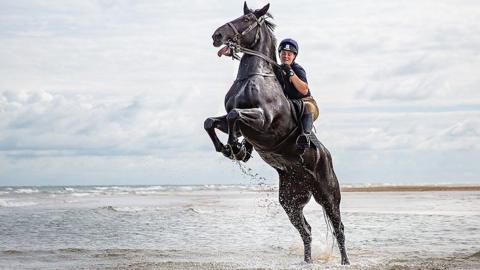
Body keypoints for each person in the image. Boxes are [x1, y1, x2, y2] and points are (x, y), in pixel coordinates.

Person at [278, 38, 319, 152]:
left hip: (306, 104)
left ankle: (305, 136)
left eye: (289, 54)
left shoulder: (297, 69)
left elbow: (304, 90)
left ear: (294, 56)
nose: (286, 56)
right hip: (289, 105)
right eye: (283, 53)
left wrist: (290, 72)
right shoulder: (277, 69)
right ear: (279, 54)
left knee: (307, 106)